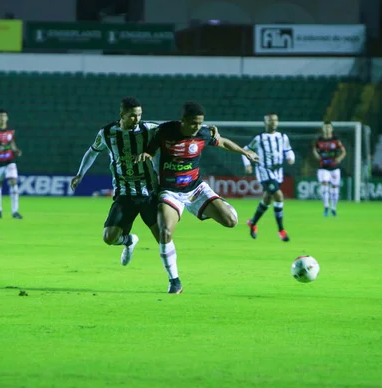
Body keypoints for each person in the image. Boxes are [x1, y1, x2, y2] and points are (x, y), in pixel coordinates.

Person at [136, 102, 259, 294]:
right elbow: (151, 148)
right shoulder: (165, 131)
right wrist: (146, 154)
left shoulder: (204, 133)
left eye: (200, 123)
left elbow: (223, 142)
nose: (197, 127)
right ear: (183, 120)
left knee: (231, 221)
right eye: (193, 123)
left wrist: (245, 152)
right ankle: (174, 280)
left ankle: (211, 205)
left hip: (196, 190)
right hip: (170, 192)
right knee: (165, 231)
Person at [70, 97, 160, 266]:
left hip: (149, 193)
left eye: (139, 115)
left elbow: (176, 129)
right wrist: (80, 174)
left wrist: (205, 130)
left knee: (163, 238)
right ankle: (129, 241)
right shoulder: (107, 133)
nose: (137, 119)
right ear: (122, 115)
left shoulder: (150, 129)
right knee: (109, 238)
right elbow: (92, 152)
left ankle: (174, 280)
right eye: (132, 115)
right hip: (124, 194)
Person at [242, 113, 295, 241]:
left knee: (267, 199)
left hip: (278, 172)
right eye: (270, 120)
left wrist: (291, 157)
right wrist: (248, 164)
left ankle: (253, 222)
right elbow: (246, 149)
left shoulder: (282, 137)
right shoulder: (260, 138)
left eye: (275, 120)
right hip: (264, 171)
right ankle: (281, 229)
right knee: (278, 195)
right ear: (265, 122)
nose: (273, 123)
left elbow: (288, 150)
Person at [0, 109, 23, 219]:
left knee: (13, 183)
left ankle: (15, 211)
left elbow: (11, 142)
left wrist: (16, 150)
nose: (2, 118)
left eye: (4, 116)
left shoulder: (10, 131)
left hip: (9, 161)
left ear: (7, 118)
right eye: (0, 116)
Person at [313, 121, 346, 217]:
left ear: (331, 129)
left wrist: (339, 158)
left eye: (329, 127)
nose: (327, 129)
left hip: (334, 167)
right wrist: (317, 155)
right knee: (324, 185)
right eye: (325, 127)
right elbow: (314, 149)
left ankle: (334, 208)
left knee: (334, 188)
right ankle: (326, 206)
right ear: (323, 129)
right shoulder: (319, 140)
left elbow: (343, 151)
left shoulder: (336, 140)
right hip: (323, 168)